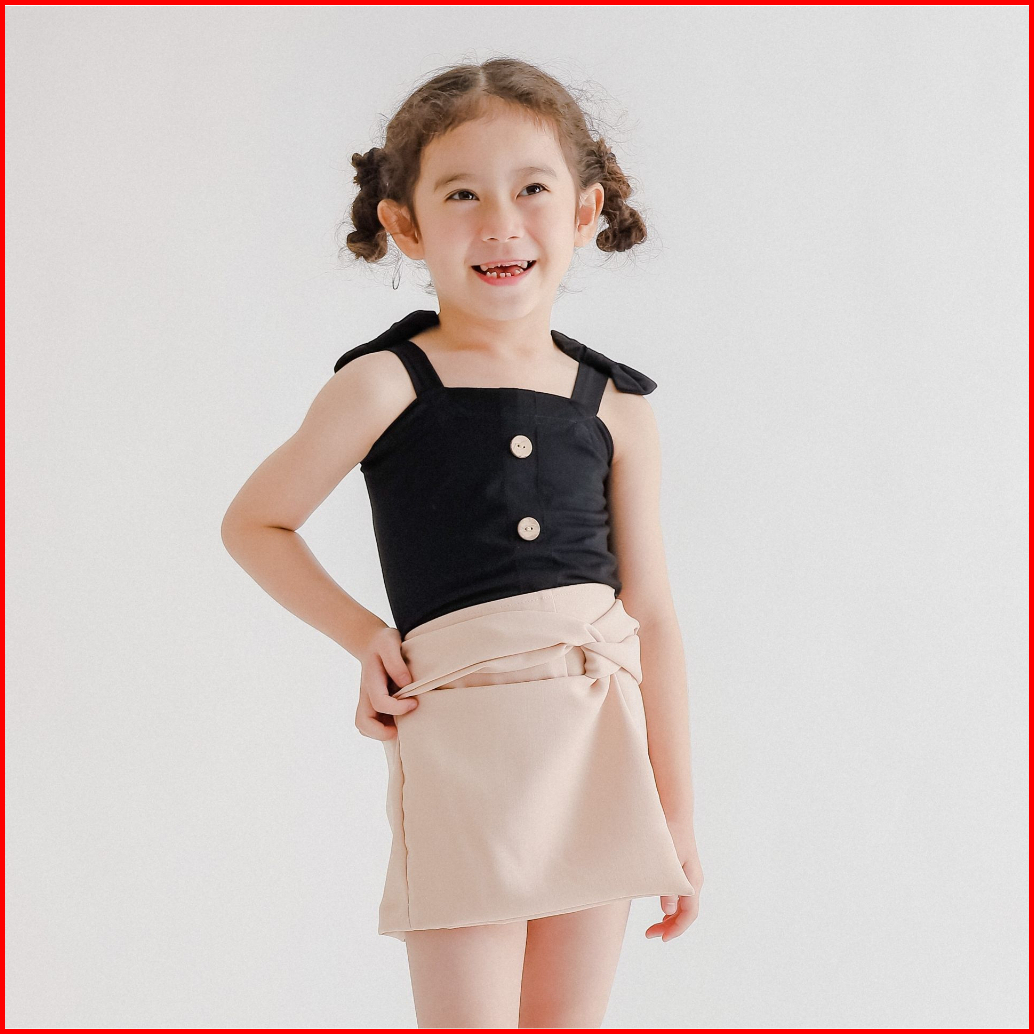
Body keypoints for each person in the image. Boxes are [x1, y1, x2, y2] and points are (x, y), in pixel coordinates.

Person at [221, 56, 704, 1029]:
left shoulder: (617, 406)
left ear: (584, 210)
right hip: (462, 751)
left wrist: (676, 813)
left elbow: (650, 611)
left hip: (596, 741)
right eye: (461, 194)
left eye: (531, 189)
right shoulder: (383, 383)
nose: (499, 222)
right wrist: (364, 634)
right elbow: (255, 522)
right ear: (405, 224)